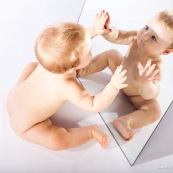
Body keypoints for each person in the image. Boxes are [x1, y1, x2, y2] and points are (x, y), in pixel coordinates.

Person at [6, 19, 128, 150]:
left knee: (31, 66)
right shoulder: (67, 86)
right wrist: (113, 86)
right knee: (57, 141)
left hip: (12, 98)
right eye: (88, 52)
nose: (91, 50)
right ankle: (91, 132)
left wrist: (94, 29)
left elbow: (73, 44)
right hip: (26, 126)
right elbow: (94, 104)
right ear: (71, 69)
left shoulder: (50, 58)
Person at [78, 10, 173, 141]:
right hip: (120, 75)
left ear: (166, 51)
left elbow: (150, 94)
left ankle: (126, 121)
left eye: (154, 38)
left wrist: (146, 83)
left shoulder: (155, 67)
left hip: (137, 96)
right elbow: (119, 36)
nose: (144, 35)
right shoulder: (136, 38)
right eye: (147, 27)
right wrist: (106, 29)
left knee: (155, 111)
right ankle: (82, 69)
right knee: (112, 54)